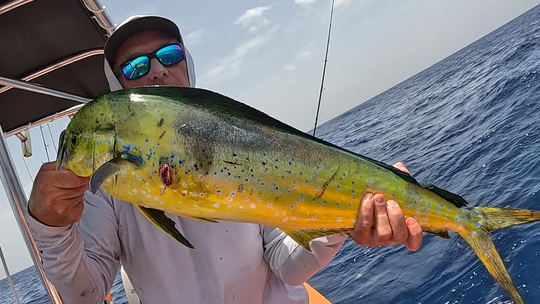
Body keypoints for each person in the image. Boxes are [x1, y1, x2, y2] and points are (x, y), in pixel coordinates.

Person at [25, 15, 423, 304]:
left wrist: (338, 224)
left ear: (187, 62)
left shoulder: (242, 144)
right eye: (136, 66)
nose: (158, 72)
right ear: (118, 89)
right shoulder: (105, 185)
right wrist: (51, 229)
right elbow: (88, 295)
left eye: (168, 54)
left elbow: (288, 267)